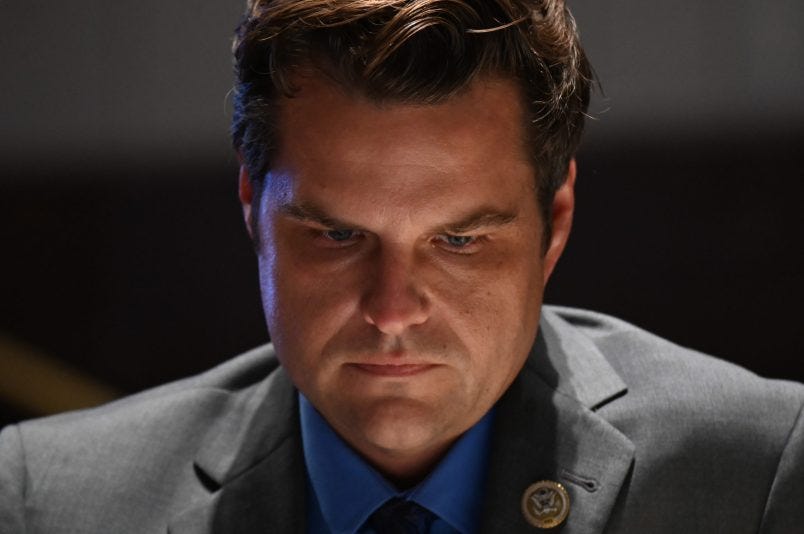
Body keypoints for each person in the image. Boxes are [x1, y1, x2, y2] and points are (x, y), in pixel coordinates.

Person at [1, 0, 802, 532]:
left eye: (459, 242)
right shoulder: (50, 503)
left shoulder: (757, 475)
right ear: (252, 206)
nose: (391, 311)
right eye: (336, 236)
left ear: (555, 222)